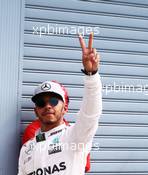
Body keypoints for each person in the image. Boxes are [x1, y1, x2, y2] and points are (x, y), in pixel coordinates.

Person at [18, 33, 101, 175]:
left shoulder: (75, 136)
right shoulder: (26, 148)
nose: (48, 106)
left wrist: (91, 75)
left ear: (65, 108)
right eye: (41, 102)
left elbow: (90, 115)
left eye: (54, 101)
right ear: (36, 111)